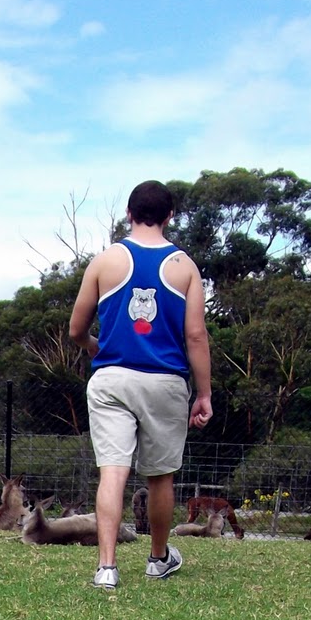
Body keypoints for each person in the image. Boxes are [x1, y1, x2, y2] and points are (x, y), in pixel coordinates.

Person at [68, 180, 213, 588]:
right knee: (160, 476)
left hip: (112, 379)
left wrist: (96, 347)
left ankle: (107, 569)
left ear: (129, 214)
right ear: (170, 217)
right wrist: (203, 394)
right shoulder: (185, 266)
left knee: (112, 473)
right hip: (165, 382)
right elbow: (196, 336)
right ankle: (157, 558)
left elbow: (76, 328)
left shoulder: (105, 261)